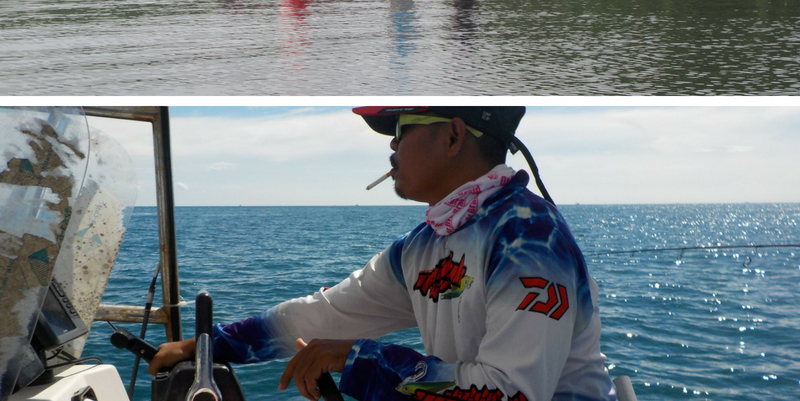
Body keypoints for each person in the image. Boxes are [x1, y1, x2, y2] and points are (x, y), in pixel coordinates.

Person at [148, 106, 617, 401]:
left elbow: (510, 393)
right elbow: (324, 314)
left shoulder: (531, 240)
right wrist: (207, 346)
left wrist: (358, 360)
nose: (392, 144)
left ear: (454, 137)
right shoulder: (423, 246)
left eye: (403, 126)